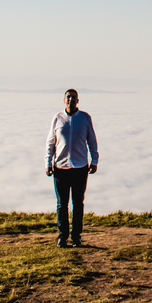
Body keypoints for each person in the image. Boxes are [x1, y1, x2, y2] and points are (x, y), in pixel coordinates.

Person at [46, 88, 99, 248]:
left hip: (80, 167)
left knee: (78, 203)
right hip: (60, 168)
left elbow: (92, 141)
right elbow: (50, 142)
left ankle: (76, 237)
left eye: (74, 97)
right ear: (64, 100)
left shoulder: (85, 118)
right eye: (68, 97)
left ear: (78, 100)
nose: (71, 99)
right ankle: (63, 236)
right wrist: (48, 162)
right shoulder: (57, 118)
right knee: (62, 204)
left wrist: (94, 160)